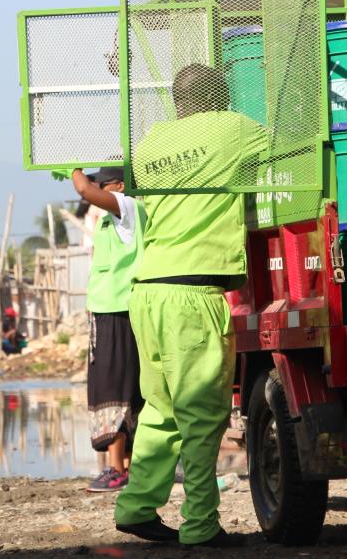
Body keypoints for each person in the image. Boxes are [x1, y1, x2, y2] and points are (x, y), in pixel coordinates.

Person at [114, 63, 269, 548]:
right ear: (221, 97)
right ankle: (201, 525)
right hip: (191, 293)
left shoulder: (152, 141)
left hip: (146, 290)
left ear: (178, 103)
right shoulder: (235, 128)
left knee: (160, 408)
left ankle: (138, 505)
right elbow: (297, 146)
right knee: (203, 413)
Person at [70, 166, 147, 493]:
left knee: (113, 388)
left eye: (102, 184)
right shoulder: (112, 217)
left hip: (118, 309)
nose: (95, 190)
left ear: (118, 186)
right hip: (108, 309)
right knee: (118, 386)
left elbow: (84, 190)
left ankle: (117, 469)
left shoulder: (128, 208)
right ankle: (126, 465)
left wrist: (69, 165)